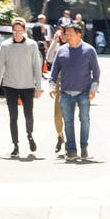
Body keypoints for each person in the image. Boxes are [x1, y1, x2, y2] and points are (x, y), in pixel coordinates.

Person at [0, 18, 44, 157]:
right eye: (14, 31)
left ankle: (30, 135)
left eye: (19, 31)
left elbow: (37, 67)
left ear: (24, 31)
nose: (17, 33)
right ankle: (15, 145)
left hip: (27, 86)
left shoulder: (32, 45)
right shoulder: (5, 46)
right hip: (10, 86)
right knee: (13, 116)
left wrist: (38, 87)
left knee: (28, 115)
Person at [49, 22, 100, 162]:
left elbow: (96, 72)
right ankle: (71, 150)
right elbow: (54, 72)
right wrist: (52, 86)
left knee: (84, 120)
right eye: (66, 33)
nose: (67, 36)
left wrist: (93, 89)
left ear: (79, 35)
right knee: (68, 122)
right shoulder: (61, 50)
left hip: (84, 92)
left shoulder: (89, 50)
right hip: (65, 92)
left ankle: (84, 148)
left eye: (71, 33)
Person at [45, 24, 68, 154]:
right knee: (57, 116)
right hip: (60, 83)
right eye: (61, 34)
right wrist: (54, 41)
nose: (63, 36)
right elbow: (48, 59)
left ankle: (69, 143)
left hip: (73, 83)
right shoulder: (58, 47)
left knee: (69, 116)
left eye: (65, 33)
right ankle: (60, 136)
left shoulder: (74, 46)